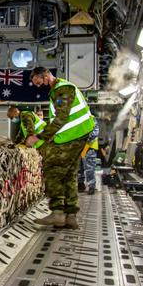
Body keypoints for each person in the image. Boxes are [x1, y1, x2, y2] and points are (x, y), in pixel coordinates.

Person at [25, 67, 95, 229]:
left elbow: (61, 118)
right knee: (69, 174)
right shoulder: (60, 89)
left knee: (52, 168)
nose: (38, 86)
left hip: (73, 135)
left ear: (45, 75)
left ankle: (57, 212)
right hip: (78, 134)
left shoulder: (62, 89)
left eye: (38, 82)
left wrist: (39, 137)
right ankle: (70, 216)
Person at [78, 121, 100, 194]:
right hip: (79, 146)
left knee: (89, 168)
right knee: (79, 167)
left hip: (89, 147)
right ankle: (80, 184)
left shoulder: (92, 119)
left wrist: (84, 139)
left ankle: (91, 186)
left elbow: (94, 133)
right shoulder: (79, 118)